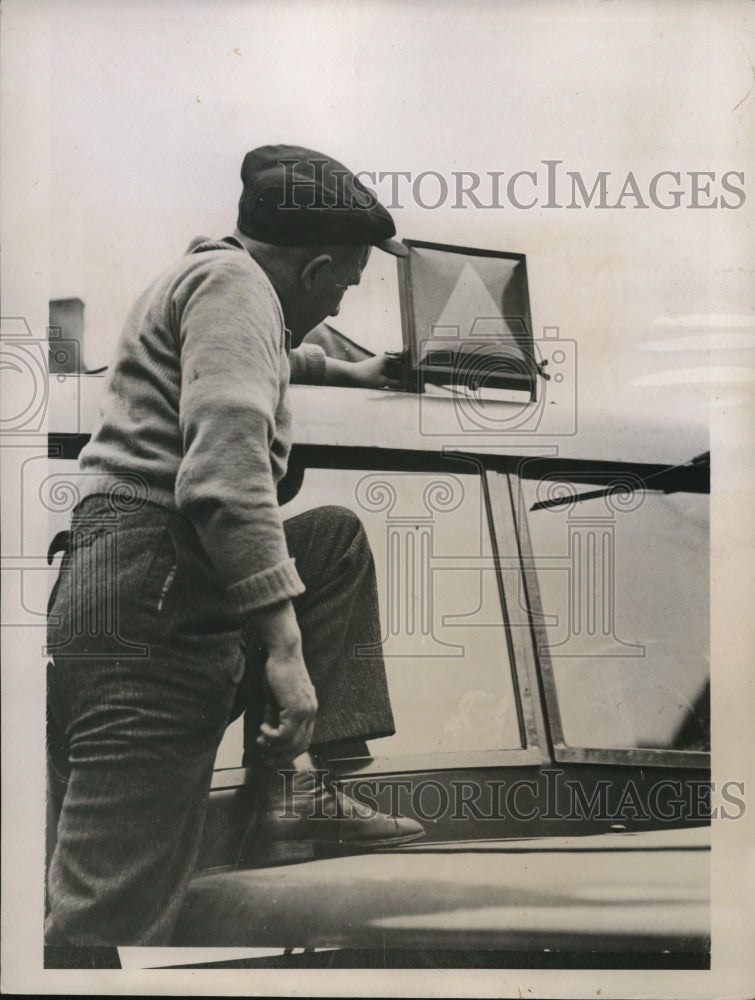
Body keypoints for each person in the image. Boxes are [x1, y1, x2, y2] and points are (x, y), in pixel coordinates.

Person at [45, 144, 423, 947]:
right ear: (317, 267)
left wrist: (352, 374)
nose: (340, 305)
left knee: (327, 542)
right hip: (155, 591)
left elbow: (256, 359)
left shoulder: (214, 276)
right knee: (107, 909)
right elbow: (224, 475)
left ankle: (293, 791)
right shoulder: (236, 290)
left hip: (139, 573)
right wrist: (285, 652)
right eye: (345, 285)